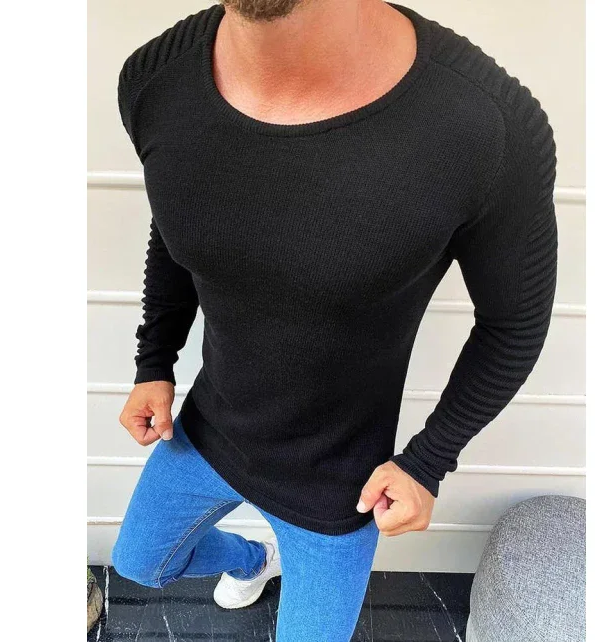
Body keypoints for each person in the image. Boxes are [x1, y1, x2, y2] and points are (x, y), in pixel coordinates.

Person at [110, 0, 558, 639]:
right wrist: (154, 362)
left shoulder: (488, 125)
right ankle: (254, 560)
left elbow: (512, 326)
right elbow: (179, 222)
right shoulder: (156, 79)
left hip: (339, 482)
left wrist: (427, 461)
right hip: (211, 431)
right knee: (139, 564)